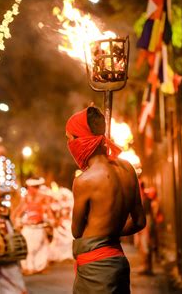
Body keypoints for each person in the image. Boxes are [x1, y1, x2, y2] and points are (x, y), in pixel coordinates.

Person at [66, 106, 146, 294]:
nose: (69, 144)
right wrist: (112, 234)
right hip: (118, 262)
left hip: (95, 269)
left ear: (81, 140)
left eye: (70, 139)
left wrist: (103, 235)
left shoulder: (84, 181)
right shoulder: (128, 169)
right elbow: (140, 221)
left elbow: (77, 231)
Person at [0, 184, 27, 294]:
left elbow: (10, 224)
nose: (2, 200)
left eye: (3, 197)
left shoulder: (5, 210)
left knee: (13, 274)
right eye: (0, 197)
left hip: (9, 248)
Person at [13, 177, 54, 275]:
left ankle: (38, 267)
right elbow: (18, 212)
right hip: (28, 227)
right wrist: (17, 221)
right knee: (29, 247)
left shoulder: (44, 197)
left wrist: (51, 221)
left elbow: (48, 210)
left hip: (39, 227)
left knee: (41, 247)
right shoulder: (26, 198)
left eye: (35, 187)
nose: (32, 189)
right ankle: (28, 267)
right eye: (31, 187)